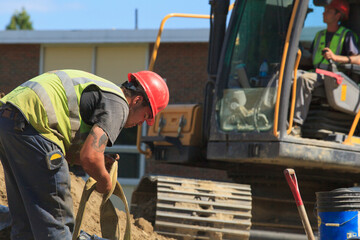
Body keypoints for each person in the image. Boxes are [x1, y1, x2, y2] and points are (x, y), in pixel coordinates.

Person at [0, 69, 169, 239]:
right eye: (145, 116)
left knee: (25, 223)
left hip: (9, 122)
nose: (141, 123)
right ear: (137, 100)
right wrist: (104, 181)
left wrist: (100, 161)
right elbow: (90, 157)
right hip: (33, 126)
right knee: (56, 225)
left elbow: (77, 154)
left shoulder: (101, 93)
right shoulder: (119, 105)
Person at [293, 0, 359, 135]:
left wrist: (336, 58)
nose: (324, 13)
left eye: (328, 11)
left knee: (305, 79)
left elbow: (358, 59)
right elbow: (311, 60)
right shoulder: (319, 35)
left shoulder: (347, 36)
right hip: (317, 73)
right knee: (285, 76)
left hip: (335, 78)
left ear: (338, 15)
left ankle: (296, 125)